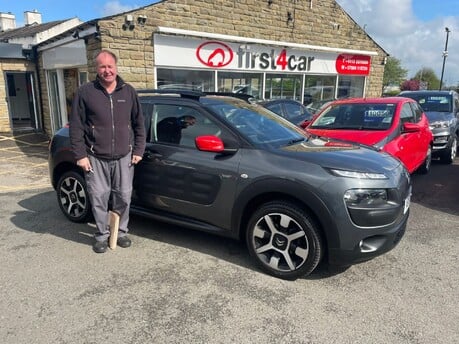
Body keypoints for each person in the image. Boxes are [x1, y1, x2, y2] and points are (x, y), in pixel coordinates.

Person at [69, 49, 146, 253]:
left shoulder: (128, 92)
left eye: (110, 66)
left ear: (116, 67)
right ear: (96, 69)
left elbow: (139, 123)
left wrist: (138, 149)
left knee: (124, 196)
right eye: (102, 66)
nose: (107, 70)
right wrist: (81, 155)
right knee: (99, 197)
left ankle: (120, 232)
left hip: (124, 156)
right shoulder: (85, 92)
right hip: (95, 157)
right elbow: (76, 126)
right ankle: (102, 235)